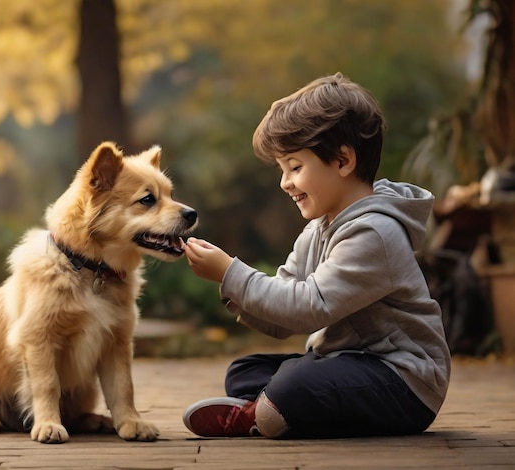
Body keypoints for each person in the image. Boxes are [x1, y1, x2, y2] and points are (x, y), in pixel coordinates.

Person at [181, 72, 451, 439]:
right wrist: (227, 280)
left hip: (403, 383)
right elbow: (283, 319)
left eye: (295, 167)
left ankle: (259, 415)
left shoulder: (375, 233)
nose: (284, 183)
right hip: (346, 365)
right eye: (282, 169)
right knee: (245, 371)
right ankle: (271, 407)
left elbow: (310, 307)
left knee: (297, 383)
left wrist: (231, 272)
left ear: (342, 161)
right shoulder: (317, 229)